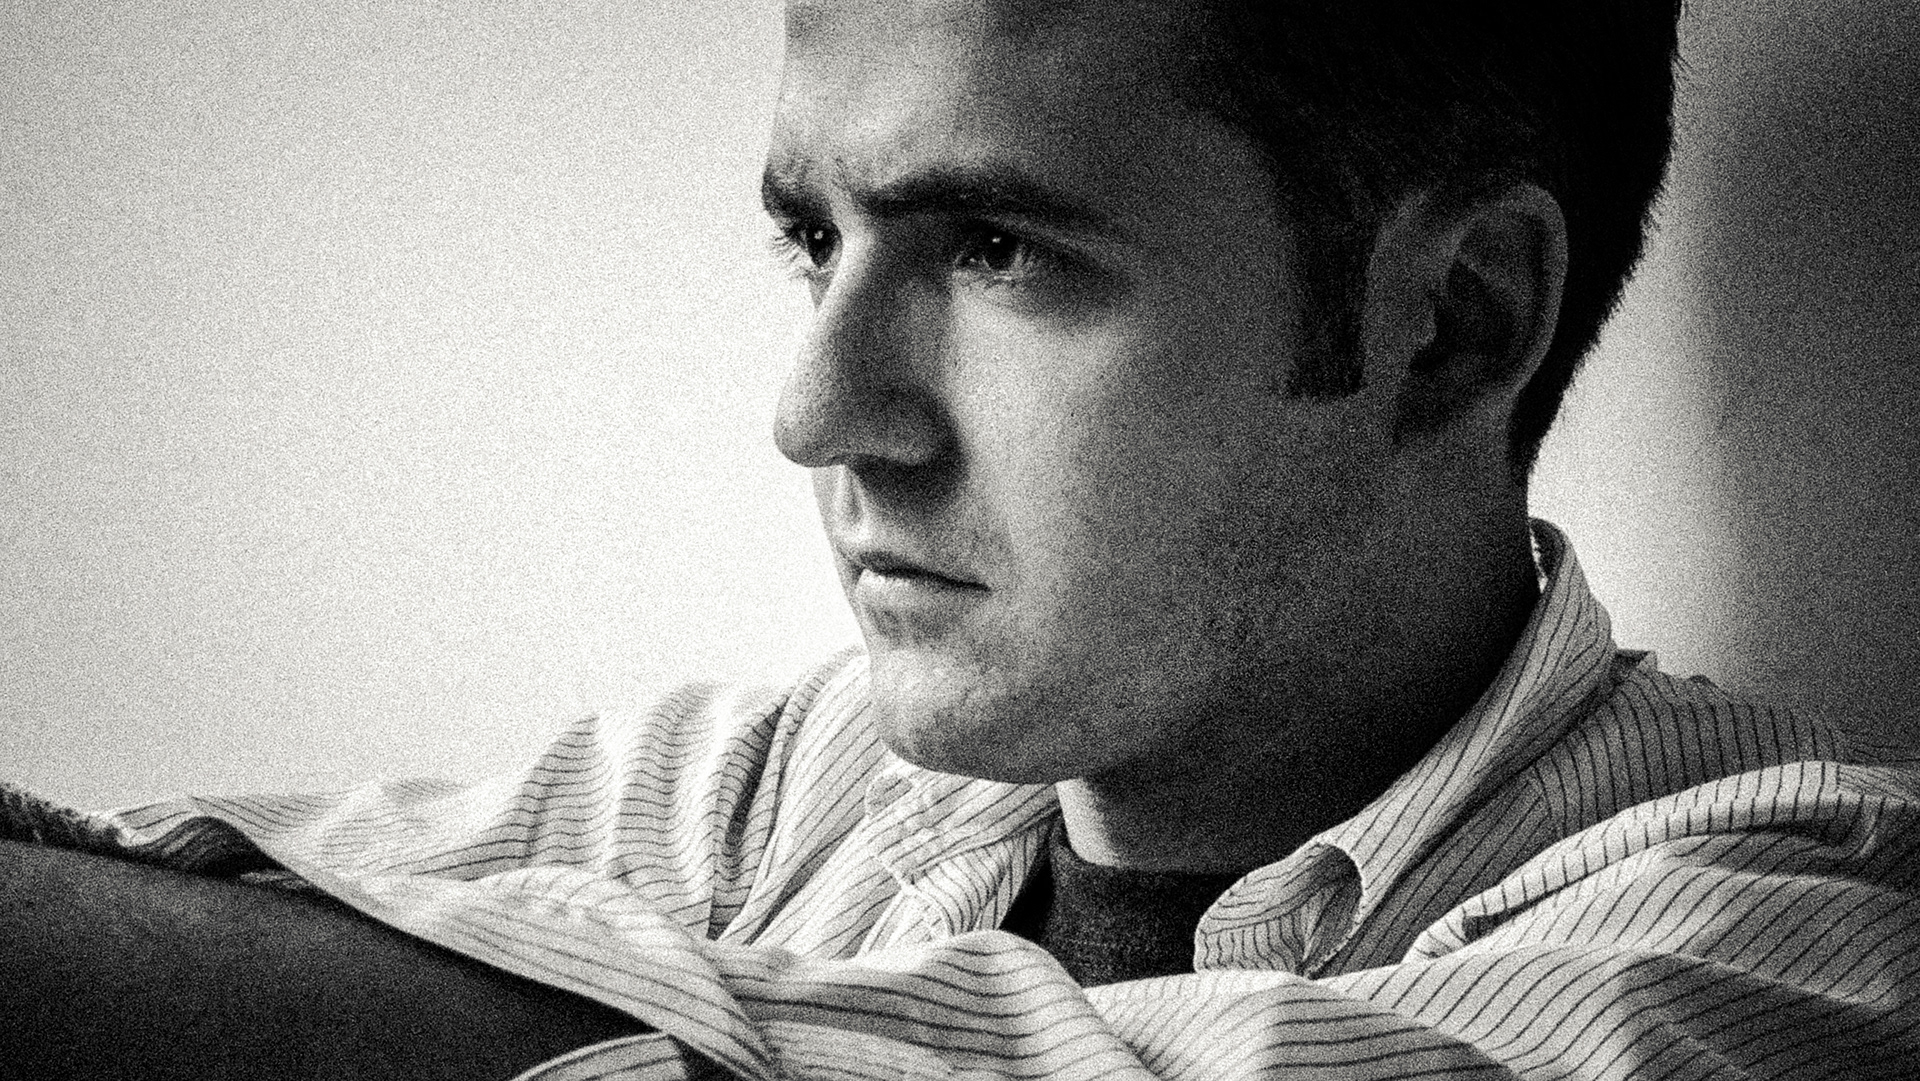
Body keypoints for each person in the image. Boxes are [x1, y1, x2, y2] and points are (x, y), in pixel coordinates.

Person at [4, 0, 1917, 1077]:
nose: (818, 411)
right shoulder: (784, 787)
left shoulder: (1799, 930)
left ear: (1458, 319)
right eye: (812, 240)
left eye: (998, 248)